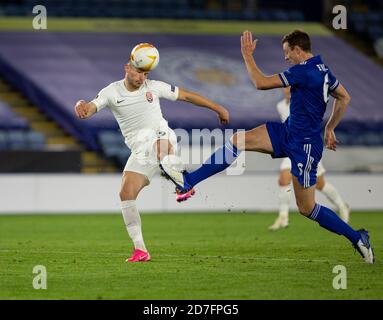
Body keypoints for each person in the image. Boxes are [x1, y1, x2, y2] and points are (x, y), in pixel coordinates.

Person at [161, 30, 375, 263]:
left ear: (297, 50)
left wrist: (247, 55)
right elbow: (344, 97)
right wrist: (330, 128)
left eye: (286, 53)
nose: (285, 58)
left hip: (305, 145)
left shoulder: (303, 70)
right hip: (287, 132)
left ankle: (357, 237)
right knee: (237, 140)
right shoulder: (324, 71)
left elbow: (260, 83)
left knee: (306, 208)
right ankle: (189, 182)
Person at [74, 43, 229, 262]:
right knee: (125, 194)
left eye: (145, 73)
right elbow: (90, 108)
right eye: (138, 72)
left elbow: (187, 96)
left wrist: (218, 108)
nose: (141, 77)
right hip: (140, 151)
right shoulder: (111, 91)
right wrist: (82, 104)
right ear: (127, 68)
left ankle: (183, 182)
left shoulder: (154, 87)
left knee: (159, 147)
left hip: (162, 137)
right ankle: (140, 250)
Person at [269, 87, 350, 230]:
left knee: (320, 184)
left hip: (308, 147)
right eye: (285, 88)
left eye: (290, 88)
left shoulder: (303, 102)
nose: (287, 91)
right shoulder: (280, 106)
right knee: (283, 179)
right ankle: (283, 217)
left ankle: (342, 206)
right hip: (292, 148)